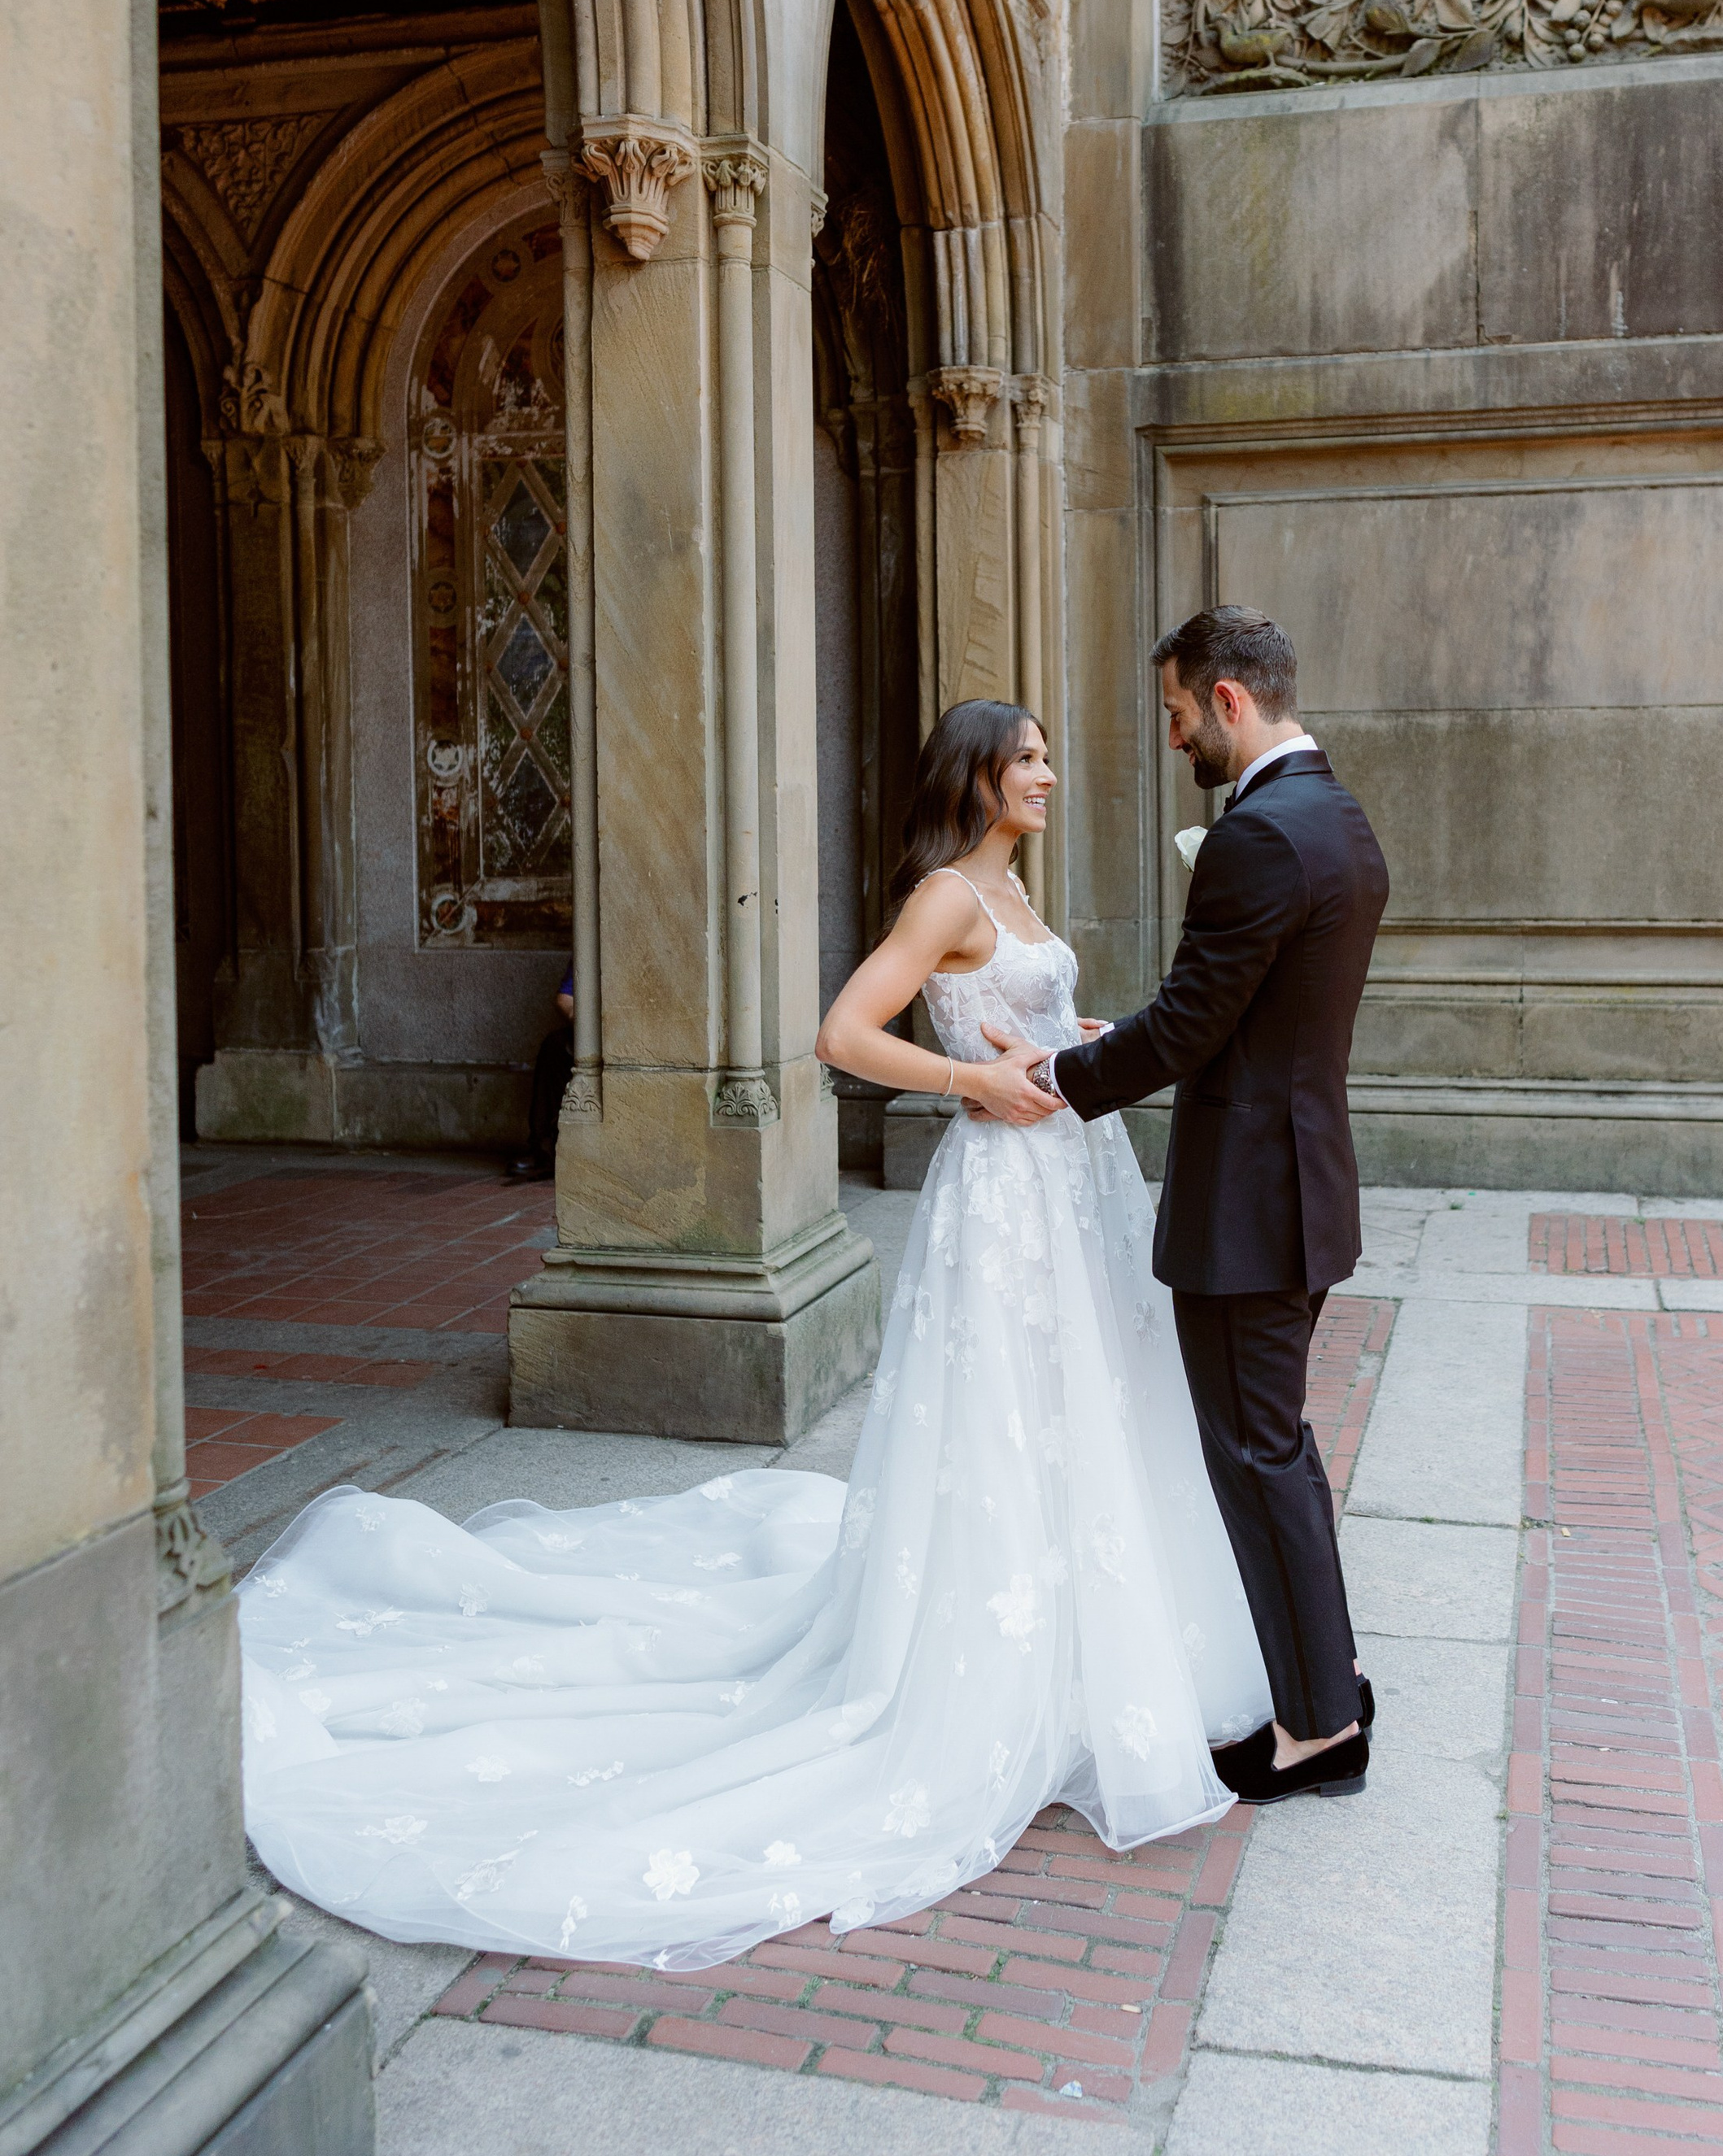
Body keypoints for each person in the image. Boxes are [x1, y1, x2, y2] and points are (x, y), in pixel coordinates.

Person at [236, 702, 1269, 1970]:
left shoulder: (1017, 892)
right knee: (1009, 1421)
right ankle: (1000, 1674)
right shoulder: (947, 894)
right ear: (978, 776)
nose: (1051, 774)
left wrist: (1078, 1044)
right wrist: (973, 1085)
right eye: (1030, 759)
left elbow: (1028, 1025)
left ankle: (1088, 1657)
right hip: (1007, 1198)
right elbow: (844, 1035)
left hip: (1073, 1181)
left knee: (1083, 1416)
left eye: (1052, 754)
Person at [1008, 607, 1389, 1806]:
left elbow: (1192, 1027)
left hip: (1249, 1210)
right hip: (1302, 1187)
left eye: (1177, 715)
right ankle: (1332, 1680)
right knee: (1277, 1446)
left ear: (1229, 702)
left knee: (1257, 1452)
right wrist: (1116, 1037)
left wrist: (1060, 1079)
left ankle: (1321, 1728)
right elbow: (1243, 1017)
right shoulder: (1337, 817)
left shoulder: (1259, 837)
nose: (1174, 739)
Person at [507, 965, 574, 1183]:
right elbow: (565, 998)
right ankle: (543, 1150)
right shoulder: (590, 943)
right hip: (590, 1028)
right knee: (554, 1047)